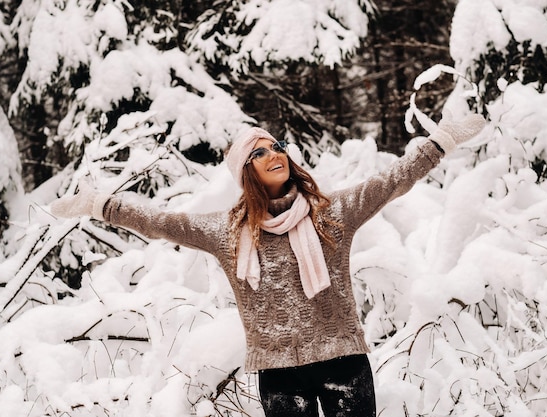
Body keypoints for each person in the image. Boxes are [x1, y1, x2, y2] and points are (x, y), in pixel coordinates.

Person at [50, 112, 485, 417]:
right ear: (246, 172)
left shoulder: (329, 214)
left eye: (276, 146)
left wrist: (441, 140)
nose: (274, 154)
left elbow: (392, 181)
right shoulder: (227, 231)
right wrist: (99, 204)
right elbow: (160, 222)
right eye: (259, 153)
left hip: (344, 364)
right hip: (279, 376)